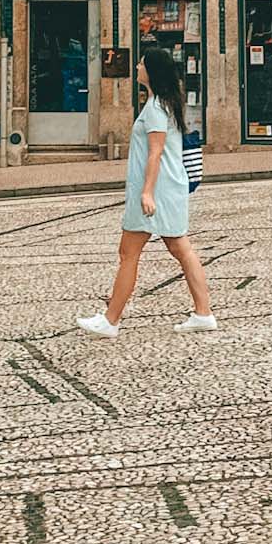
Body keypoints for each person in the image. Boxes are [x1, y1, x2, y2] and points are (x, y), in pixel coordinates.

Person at [76, 47, 215, 339]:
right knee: (181, 250)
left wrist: (147, 193)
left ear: (151, 71)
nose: (137, 66)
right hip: (170, 189)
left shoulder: (155, 109)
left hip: (157, 192)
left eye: (141, 63)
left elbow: (155, 153)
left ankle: (110, 320)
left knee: (128, 253)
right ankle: (203, 313)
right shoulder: (165, 103)